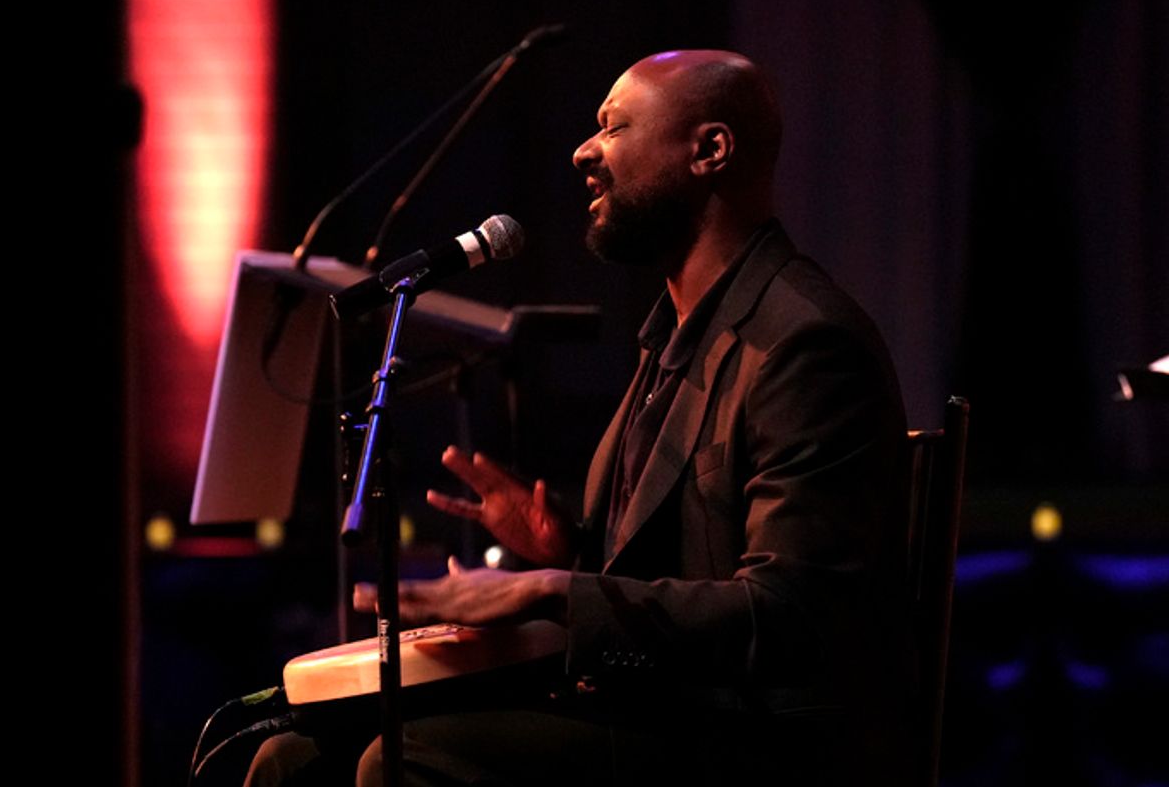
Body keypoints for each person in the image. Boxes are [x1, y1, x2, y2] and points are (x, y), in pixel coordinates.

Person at [247, 49, 912, 787]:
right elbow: (685, 564)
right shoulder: (673, 336)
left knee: (405, 760)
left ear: (710, 151)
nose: (583, 151)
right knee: (290, 758)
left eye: (614, 127)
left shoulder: (804, 341)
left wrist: (552, 590)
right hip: (659, 715)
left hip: (747, 741)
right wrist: (566, 546)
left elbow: (791, 615)